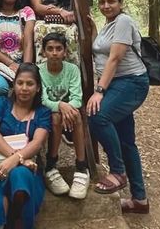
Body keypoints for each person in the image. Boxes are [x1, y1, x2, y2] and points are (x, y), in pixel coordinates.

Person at [86, 0, 150, 214]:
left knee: (96, 116)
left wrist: (99, 91)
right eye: (102, 2)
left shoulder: (123, 21)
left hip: (131, 82)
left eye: (111, 1)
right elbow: (99, 50)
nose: (106, 6)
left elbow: (115, 58)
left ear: (120, 3)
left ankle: (117, 171)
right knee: (126, 141)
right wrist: (93, 29)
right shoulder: (108, 25)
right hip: (117, 85)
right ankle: (139, 200)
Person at [0, 63, 51, 229]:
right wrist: (16, 157)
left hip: (29, 165)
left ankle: (19, 219)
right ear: (14, 84)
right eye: (20, 83)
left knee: (21, 176)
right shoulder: (2, 103)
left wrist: (16, 160)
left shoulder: (43, 112)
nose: (24, 88)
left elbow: (37, 142)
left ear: (38, 88)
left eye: (30, 84)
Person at [39, 32, 90, 199]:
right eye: (50, 49)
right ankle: (51, 165)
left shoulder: (72, 69)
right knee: (55, 117)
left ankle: (82, 166)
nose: (54, 53)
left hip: (68, 114)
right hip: (47, 114)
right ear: (44, 52)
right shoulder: (38, 71)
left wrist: (67, 108)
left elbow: (77, 98)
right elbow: (42, 100)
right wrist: (61, 105)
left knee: (76, 115)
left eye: (59, 49)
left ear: (65, 52)